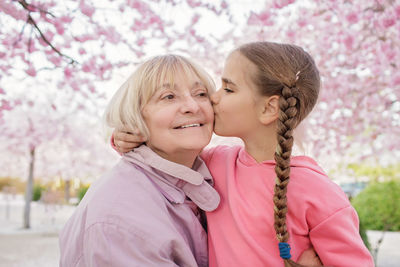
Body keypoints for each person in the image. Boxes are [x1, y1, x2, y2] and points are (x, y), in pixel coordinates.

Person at [113, 42, 374, 266]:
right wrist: (126, 139)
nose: (212, 98)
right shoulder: (216, 163)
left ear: (269, 108)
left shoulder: (318, 192)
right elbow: (165, 155)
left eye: (228, 88)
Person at [59, 54, 221, 267]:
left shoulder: (207, 172)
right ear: (135, 118)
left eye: (200, 94)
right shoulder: (120, 219)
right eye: (168, 97)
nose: (192, 106)